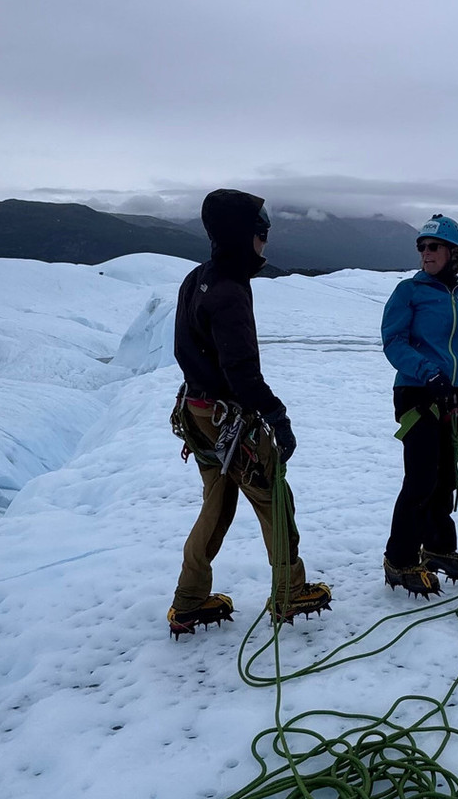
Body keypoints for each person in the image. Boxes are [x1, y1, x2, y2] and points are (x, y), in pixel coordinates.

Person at [167, 189, 331, 637]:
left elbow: (186, 349)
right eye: (261, 232)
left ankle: (189, 599)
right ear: (243, 235)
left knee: (217, 504)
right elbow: (241, 373)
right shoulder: (229, 291)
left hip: (197, 412)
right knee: (274, 497)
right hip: (227, 419)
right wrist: (277, 417)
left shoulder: (196, 278)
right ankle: (290, 590)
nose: (265, 242)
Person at [380, 214, 458, 597]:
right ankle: (399, 559)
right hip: (418, 394)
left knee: (446, 476)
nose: (426, 253)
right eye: (422, 247)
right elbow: (394, 341)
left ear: (454, 253)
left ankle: (437, 547)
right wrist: (427, 372)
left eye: (434, 247)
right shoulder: (409, 291)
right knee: (421, 478)